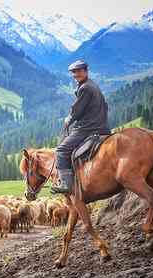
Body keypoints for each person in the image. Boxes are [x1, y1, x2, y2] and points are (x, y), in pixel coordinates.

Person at [50, 59, 111, 194]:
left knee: (61, 150)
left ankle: (66, 184)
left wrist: (69, 120)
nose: (76, 74)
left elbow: (78, 110)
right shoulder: (92, 85)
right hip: (102, 126)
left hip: (89, 127)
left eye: (78, 71)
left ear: (85, 71)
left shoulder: (85, 88)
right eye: (74, 72)